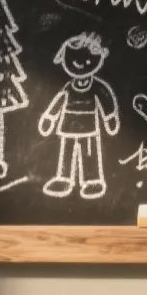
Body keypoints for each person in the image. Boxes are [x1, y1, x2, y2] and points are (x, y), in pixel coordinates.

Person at [37, 32, 119, 199]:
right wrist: (49, 118)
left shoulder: (97, 86)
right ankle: (63, 178)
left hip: (89, 127)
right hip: (68, 126)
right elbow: (59, 101)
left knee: (90, 153)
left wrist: (110, 119)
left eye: (87, 62)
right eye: (76, 61)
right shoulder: (69, 86)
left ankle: (92, 180)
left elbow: (106, 100)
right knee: (67, 153)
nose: (81, 66)